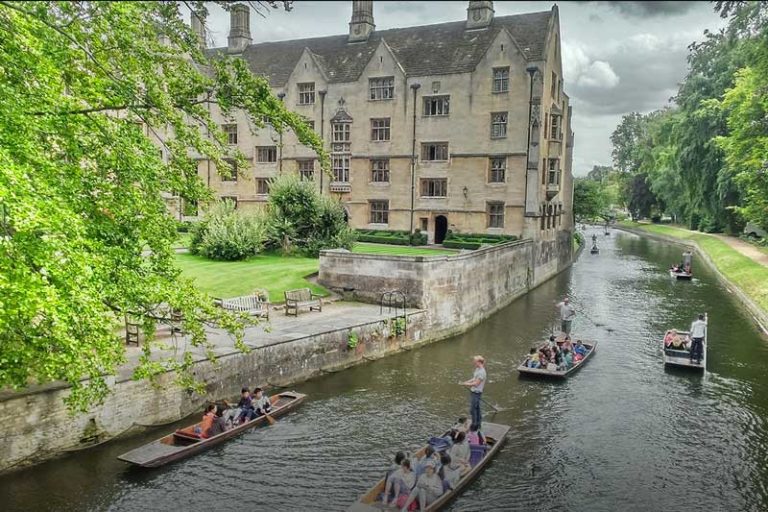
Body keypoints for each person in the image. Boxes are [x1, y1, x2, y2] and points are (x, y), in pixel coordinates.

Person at [460, 355, 487, 430]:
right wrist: (466, 381)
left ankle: (474, 425)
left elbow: (476, 384)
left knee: (473, 410)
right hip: (473, 392)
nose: (473, 363)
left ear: (479, 362)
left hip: (476, 393)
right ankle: (478, 423)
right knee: (477, 408)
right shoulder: (477, 369)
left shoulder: (482, 372)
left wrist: (466, 384)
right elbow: (474, 378)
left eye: (475, 361)